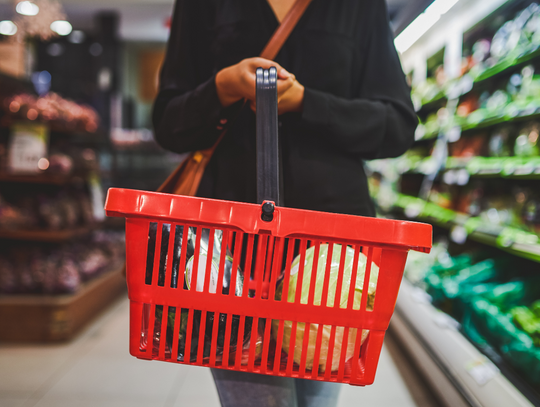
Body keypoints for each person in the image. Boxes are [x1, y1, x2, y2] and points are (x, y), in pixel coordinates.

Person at [152, 0, 417, 406]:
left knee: (317, 401)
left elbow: (398, 125)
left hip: (334, 261)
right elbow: (168, 123)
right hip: (232, 256)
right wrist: (221, 87)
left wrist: (308, 103)